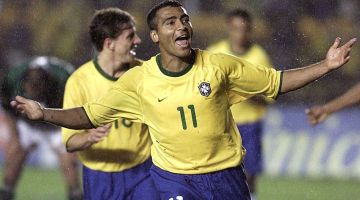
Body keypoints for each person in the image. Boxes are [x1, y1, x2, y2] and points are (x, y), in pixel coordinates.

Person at [10, 1, 356, 199]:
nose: (182, 26)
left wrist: (325, 66)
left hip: (225, 176)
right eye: (171, 21)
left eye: (185, 19)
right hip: (173, 180)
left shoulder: (219, 66)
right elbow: (88, 114)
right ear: (156, 35)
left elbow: (277, 82)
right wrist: (44, 112)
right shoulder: (138, 80)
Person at [61, 8, 158, 200]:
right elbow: (70, 142)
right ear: (109, 43)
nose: (138, 41)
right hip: (99, 177)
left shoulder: (145, 73)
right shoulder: (79, 81)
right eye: (130, 36)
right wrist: (90, 137)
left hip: (143, 171)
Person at [208, 8, 273, 200]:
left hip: (250, 124)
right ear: (229, 28)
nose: (239, 34)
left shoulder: (258, 57)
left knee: (249, 176)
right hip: (221, 125)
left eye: (243, 29)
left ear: (250, 30)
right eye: (235, 29)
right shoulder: (214, 53)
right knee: (218, 174)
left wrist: (242, 89)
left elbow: (268, 98)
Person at [0, 56, 82, 200]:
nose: (34, 93)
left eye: (38, 88)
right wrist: (15, 137)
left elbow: (76, 110)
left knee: (69, 160)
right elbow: (8, 110)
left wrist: (71, 134)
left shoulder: (66, 80)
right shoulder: (13, 79)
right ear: (24, 83)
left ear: (47, 83)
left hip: (58, 123)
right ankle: (6, 193)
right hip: (28, 124)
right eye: (31, 87)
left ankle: (75, 193)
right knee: (14, 155)